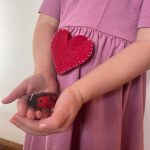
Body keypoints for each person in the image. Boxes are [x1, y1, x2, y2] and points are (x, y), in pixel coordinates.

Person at [1, 0, 150, 149]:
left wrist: (78, 93)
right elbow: (47, 22)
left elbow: (147, 45)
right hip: (57, 86)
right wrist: (44, 72)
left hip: (109, 92)